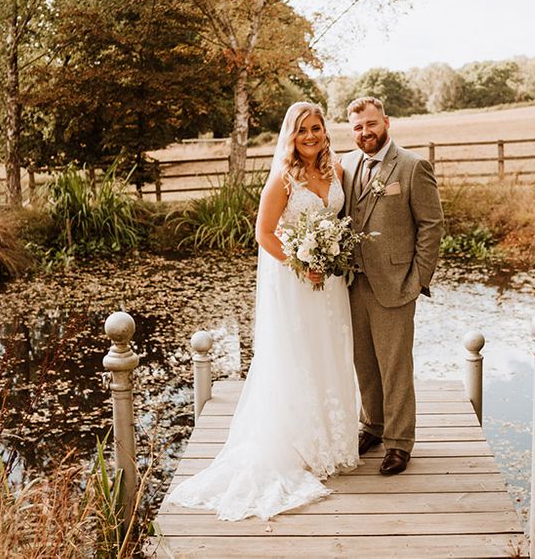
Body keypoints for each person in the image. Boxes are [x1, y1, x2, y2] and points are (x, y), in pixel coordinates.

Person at [166, 101, 359, 521]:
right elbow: (263, 233)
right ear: (291, 136)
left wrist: (331, 257)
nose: (311, 136)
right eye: (302, 130)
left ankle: (332, 439)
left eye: (317, 129)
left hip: (330, 286)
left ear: (326, 132)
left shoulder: (337, 171)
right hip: (297, 282)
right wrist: (301, 262)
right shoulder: (282, 180)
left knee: (330, 352)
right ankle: (298, 443)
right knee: (298, 357)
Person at [340, 96, 443, 475]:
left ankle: (399, 443)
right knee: (363, 363)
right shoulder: (346, 165)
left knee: (395, 366)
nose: (365, 132)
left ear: (386, 121)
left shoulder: (414, 166)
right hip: (351, 282)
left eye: (370, 124)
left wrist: (419, 279)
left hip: (396, 283)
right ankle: (373, 425)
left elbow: (432, 226)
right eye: (357, 127)